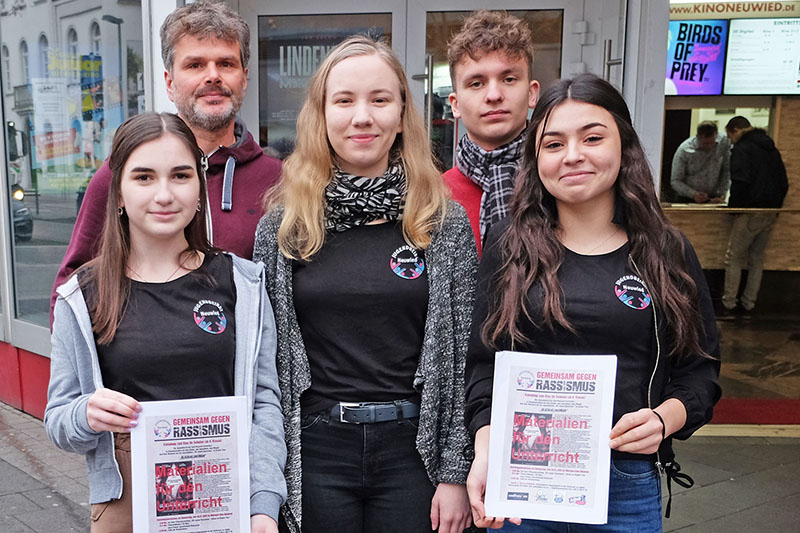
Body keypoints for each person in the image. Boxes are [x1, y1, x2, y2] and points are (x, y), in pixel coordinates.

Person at [464, 74, 721, 531]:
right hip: (523, 485)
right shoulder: (508, 246)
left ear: (624, 145)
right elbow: (484, 366)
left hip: (625, 484)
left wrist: (664, 420)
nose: (574, 155)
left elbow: (699, 371)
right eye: (554, 144)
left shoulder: (665, 251)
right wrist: (486, 449)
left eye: (593, 137)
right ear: (536, 158)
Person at [252, 36, 476, 533]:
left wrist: (456, 472)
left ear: (401, 113)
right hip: (315, 452)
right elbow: (263, 364)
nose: (362, 117)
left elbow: (464, 358)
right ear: (321, 114)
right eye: (345, 100)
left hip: (413, 453)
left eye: (379, 99)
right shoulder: (284, 226)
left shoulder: (442, 222)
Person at [44, 113, 287, 533]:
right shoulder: (81, 297)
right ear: (117, 192)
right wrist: (87, 413)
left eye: (179, 175)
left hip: (225, 500)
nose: (164, 194)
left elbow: (264, 403)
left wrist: (263, 503)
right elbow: (59, 421)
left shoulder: (242, 283)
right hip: (128, 506)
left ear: (198, 187)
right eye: (143, 177)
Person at [50, 0, 281, 322]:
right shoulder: (124, 173)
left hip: (246, 368)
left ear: (244, 77)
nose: (213, 76)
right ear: (170, 82)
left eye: (225, 64)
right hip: (147, 364)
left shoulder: (280, 181)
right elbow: (74, 284)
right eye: (195, 65)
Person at [444, 10, 540, 254]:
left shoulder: (558, 183)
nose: (494, 95)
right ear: (455, 104)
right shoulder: (434, 197)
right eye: (476, 83)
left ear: (532, 93)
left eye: (508, 79)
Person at [721, 116, 788, 315]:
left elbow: (740, 182)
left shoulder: (742, 149)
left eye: (729, 136)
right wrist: (775, 207)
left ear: (734, 130)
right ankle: (749, 304)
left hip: (750, 211)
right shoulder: (770, 148)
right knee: (757, 258)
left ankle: (729, 305)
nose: (731, 141)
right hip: (770, 211)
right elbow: (783, 182)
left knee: (734, 257)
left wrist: (735, 208)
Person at [670, 121, 730, 204]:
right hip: (688, 198)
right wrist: (693, 194)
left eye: (712, 143)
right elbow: (675, 181)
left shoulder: (724, 142)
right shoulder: (684, 150)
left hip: (714, 197)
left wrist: (722, 193)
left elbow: (726, 170)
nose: (709, 147)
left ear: (716, 135)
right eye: (705, 143)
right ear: (698, 137)